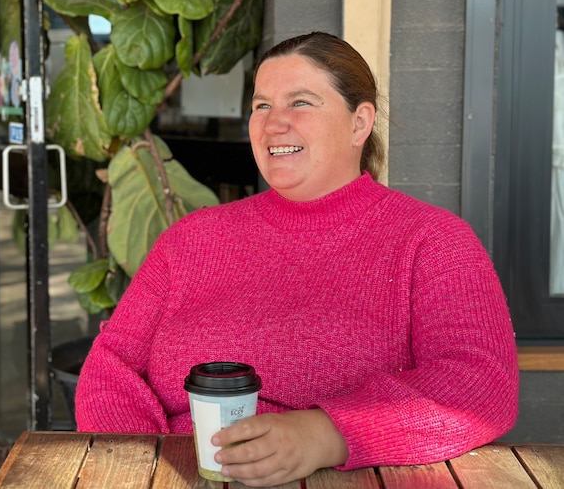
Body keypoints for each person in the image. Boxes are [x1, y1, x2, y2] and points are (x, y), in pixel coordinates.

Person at [74, 31, 519, 486]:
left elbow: (481, 382)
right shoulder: (190, 240)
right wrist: (149, 467)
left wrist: (326, 434)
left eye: (300, 103)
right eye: (262, 105)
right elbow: (111, 367)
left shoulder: (432, 242)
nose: (272, 124)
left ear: (359, 123)